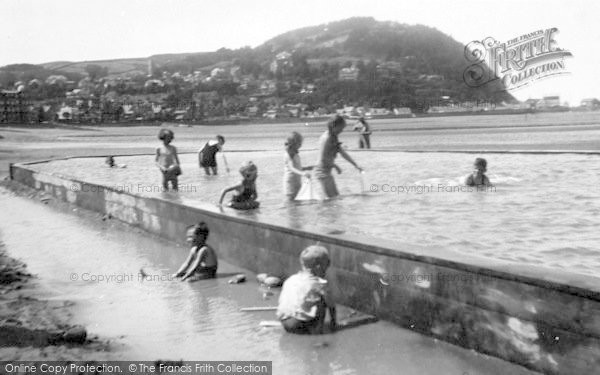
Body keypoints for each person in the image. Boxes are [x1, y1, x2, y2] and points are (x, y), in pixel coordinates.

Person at [277, 245, 336, 334]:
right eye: (326, 266)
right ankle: (317, 331)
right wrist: (333, 323)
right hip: (299, 325)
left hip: (285, 322)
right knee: (323, 302)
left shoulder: (291, 279)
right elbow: (331, 306)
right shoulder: (319, 283)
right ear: (319, 267)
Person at [313, 115, 363, 198]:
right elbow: (323, 158)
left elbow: (342, 153)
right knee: (331, 198)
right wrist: (335, 166)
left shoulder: (333, 136)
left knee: (334, 198)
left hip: (326, 172)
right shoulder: (326, 138)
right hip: (321, 173)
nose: (342, 131)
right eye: (341, 128)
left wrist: (355, 165)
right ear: (333, 126)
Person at [283, 132, 312, 200]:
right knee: (291, 203)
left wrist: (308, 168)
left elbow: (297, 167)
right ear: (294, 143)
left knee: (297, 203)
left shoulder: (295, 153)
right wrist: (302, 173)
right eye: (300, 143)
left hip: (297, 182)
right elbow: (291, 168)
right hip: (290, 183)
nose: (301, 144)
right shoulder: (289, 154)